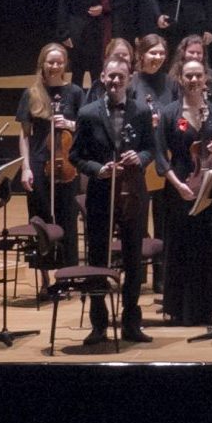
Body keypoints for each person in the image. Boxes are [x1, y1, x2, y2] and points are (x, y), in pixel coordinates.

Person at [73, 57, 157, 345]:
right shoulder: (87, 114)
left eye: (121, 76)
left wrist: (140, 157)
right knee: (97, 257)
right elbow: (75, 156)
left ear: (130, 78)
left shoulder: (142, 111)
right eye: (111, 76)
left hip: (133, 193)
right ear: (102, 76)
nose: (116, 81)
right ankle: (99, 325)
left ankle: (131, 324)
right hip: (101, 194)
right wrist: (97, 169)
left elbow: (151, 150)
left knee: (134, 259)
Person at [151, 58, 212, 328]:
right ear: (180, 79)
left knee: (208, 247)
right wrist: (177, 184)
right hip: (180, 188)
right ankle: (181, 309)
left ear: (205, 78)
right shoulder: (170, 113)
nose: (194, 81)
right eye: (188, 76)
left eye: (198, 76)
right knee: (181, 248)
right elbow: (160, 156)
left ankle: (208, 308)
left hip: (208, 189)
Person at [16, 42, 87, 267]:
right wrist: (25, 167)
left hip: (67, 164)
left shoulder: (75, 92)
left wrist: (68, 123)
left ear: (65, 64)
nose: (55, 66)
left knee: (67, 218)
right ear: (42, 64)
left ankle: (68, 272)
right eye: (50, 62)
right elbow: (25, 135)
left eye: (59, 62)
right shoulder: (31, 93)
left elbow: (86, 127)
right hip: (39, 163)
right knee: (41, 218)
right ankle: (45, 277)